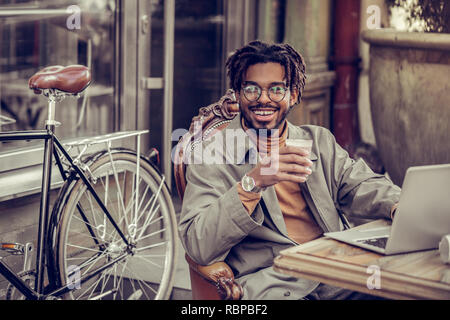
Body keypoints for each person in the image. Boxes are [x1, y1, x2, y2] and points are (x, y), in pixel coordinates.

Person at [178, 40, 400, 300]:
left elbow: (361, 184)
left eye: (276, 89)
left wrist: (397, 205)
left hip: (338, 278)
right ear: (238, 94)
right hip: (277, 287)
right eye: (251, 89)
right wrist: (254, 182)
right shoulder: (212, 153)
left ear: (293, 95)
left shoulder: (318, 141)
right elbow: (198, 244)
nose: (263, 99)